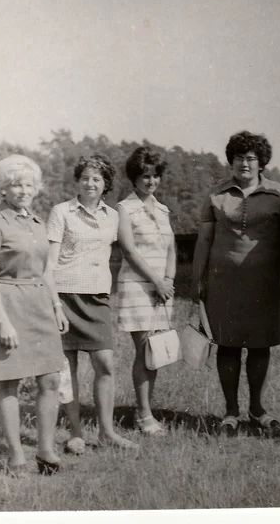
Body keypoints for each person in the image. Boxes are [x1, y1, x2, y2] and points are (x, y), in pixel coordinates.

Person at [192, 131, 280, 434]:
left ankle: (258, 409)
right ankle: (231, 412)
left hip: (264, 284)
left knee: (261, 347)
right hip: (224, 283)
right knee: (228, 346)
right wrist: (198, 280)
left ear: (261, 162)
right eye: (239, 157)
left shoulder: (279, 195)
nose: (244, 163)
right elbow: (204, 240)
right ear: (231, 161)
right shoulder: (216, 194)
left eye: (251, 158)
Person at [0, 155, 68, 476]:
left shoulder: (38, 223)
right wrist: (2, 321)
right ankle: (16, 454)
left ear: (36, 189)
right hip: (8, 304)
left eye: (28, 184)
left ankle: (46, 450)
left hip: (41, 305)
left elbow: (46, 272)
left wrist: (57, 307)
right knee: (9, 381)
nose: (23, 190)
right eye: (16, 184)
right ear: (3, 189)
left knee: (51, 379)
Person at [47, 154, 138, 453]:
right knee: (66, 369)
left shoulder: (113, 216)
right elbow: (49, 265)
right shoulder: (61, 212)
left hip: (97, 297)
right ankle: (75, 433)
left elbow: (131, 252)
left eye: (97, 179)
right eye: (85, 177)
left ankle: (107, 433)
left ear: (106, 184)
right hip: (63, 296)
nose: (90, 183)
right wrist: (55, 305)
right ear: (77, 181)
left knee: (105, 364)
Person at [117, 146, 176, 435]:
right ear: (134, 177)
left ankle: (146, 411)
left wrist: (169, 282)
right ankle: (143, 416)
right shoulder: (125, 208)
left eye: (155, 176)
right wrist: (156, 281)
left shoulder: (163, 209)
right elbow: (128, 251)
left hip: (161, 289)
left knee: (156, 353)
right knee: (144, 351)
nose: (150, 181)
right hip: (138, 287)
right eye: (145, 176)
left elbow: (172, 248)